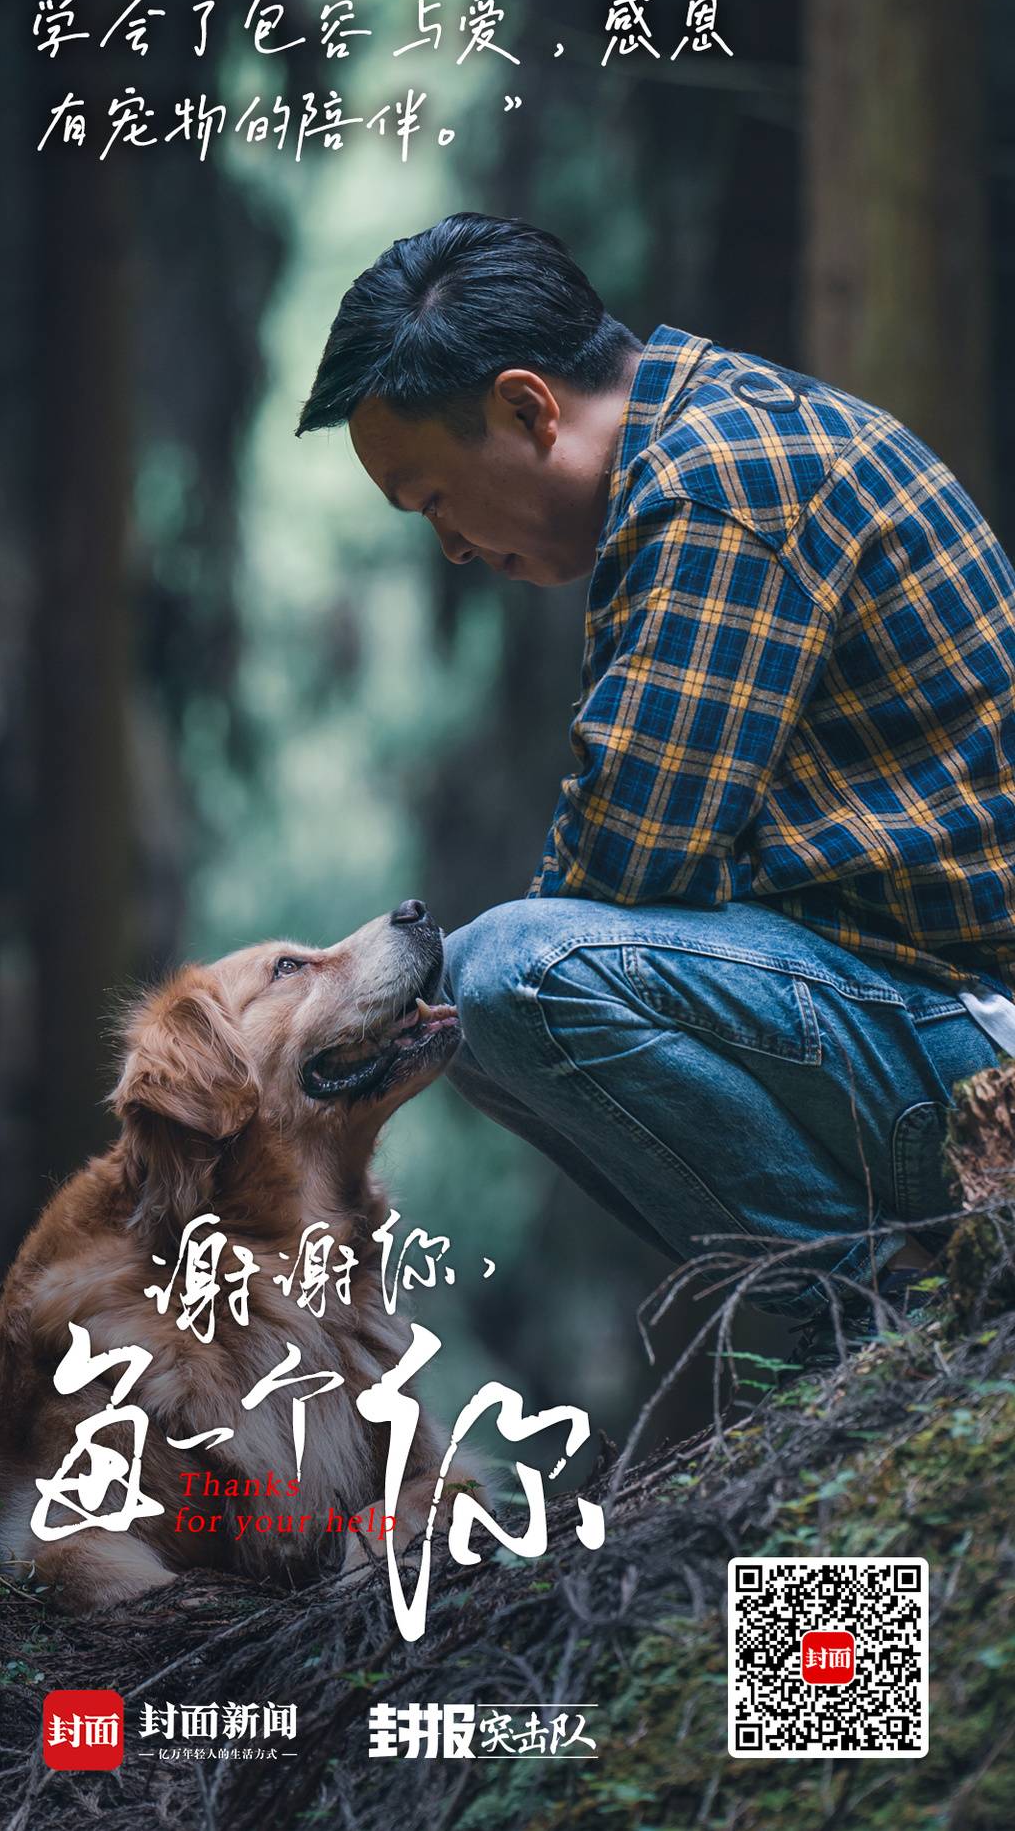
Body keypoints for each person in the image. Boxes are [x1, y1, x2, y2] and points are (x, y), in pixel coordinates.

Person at [297, 212, 1015, 1339]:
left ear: (529, 406)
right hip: (922, 1016)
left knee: (509, 977)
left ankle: (868, 1331)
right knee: (483, 1013)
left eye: (434, 497)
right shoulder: (710, 443)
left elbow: (620, 872)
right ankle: (862, 1316)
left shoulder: (716, 483)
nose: (450, 548)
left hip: (975, 1040)